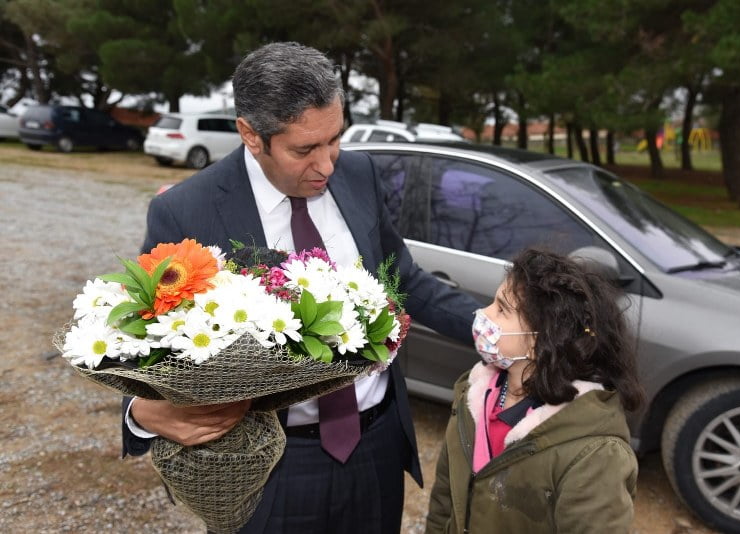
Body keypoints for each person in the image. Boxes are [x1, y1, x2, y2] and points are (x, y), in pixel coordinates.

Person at [121, 42, 480, 533]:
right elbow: (148, 344)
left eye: (335, 139)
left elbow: (404, 280)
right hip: (266, 469)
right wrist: (139, 411)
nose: (328, 164)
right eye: (305, 149)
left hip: (373, 451)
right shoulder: (188, 211)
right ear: (251, 135)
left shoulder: (359, 174)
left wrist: (487, 326)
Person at [425, 248, 645, 534]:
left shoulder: (595, 455)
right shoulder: (472, 397)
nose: (483, 314)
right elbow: (445, 497)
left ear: (541, 341)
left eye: (502, 309)